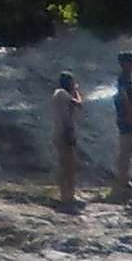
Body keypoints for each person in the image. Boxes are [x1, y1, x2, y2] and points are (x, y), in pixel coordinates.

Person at [109, 52, 132, 197]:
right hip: (126, 117)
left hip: (129, 117)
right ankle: (122, 178)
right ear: (127, 63)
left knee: (128, 148)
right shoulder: (123, 79)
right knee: (125, 148)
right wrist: (130, 110)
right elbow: (123, 95)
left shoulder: (126, 78)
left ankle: (124, 176)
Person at [49, 71, 83, 209]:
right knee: (67, 164)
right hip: (64, 131)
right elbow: (78, 104)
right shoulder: (62, 93)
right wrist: (76, 91)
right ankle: (67, 194)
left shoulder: (59, 94)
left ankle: (68, 193)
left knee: (68, 164)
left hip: (62, 130)